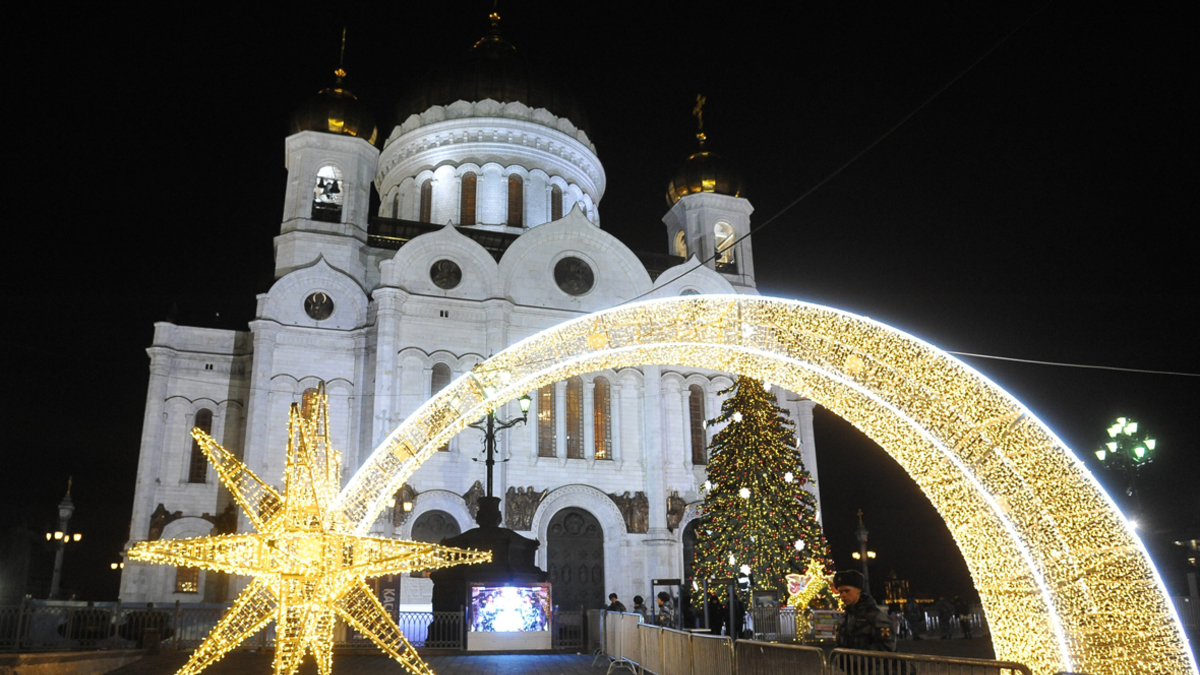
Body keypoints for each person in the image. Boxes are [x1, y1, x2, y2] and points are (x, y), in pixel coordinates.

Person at [833, 570, 896, 652]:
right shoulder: (845, 617)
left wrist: (859, 660)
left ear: (858, 590)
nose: (843, 595)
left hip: (871, 664)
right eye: (840, 592)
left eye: (847, 591)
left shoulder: (876, 616)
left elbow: (886, 647)